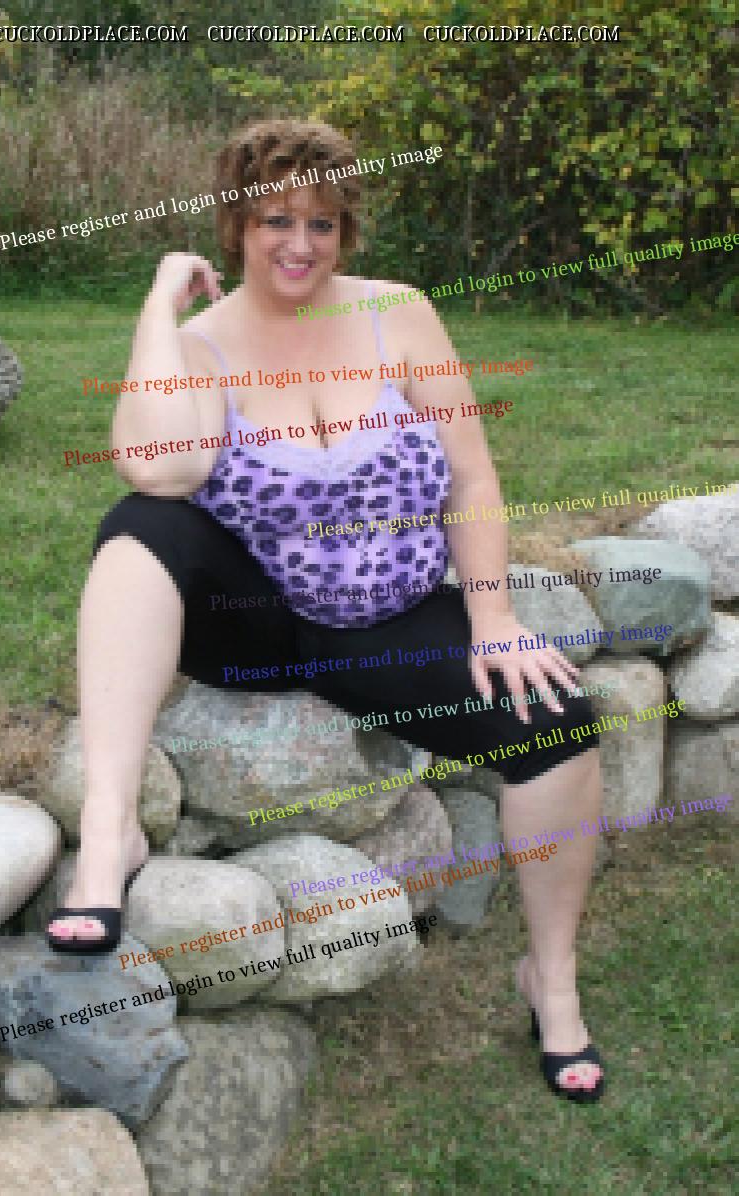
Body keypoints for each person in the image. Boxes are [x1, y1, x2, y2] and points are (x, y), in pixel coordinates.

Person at [47, 118, 605, 1101]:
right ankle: (108, 833)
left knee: (558, 727)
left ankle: (550, 981)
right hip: (257, 614)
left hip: (390, 616)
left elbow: (471, 473)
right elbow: (156, 465)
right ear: (236, 225)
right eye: (275, 220)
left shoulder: (399, 313)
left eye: (320, 222)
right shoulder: (199, 345)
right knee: (140, 525)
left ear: (346, 229)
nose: (298, 243)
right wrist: (158, 307)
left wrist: (490, 617)